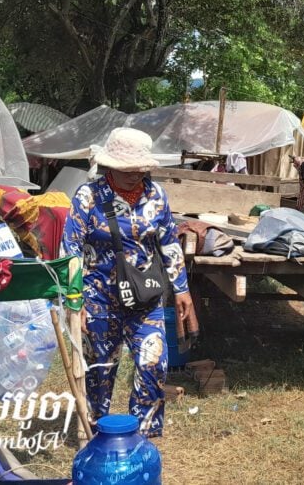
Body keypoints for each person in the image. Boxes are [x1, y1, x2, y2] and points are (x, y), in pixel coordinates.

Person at [60, 127, 197, 437]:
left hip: (144, 300)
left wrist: (181, 288)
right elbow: (70, 249)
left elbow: (169, 243)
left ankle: (142, 437)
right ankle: (98, 437)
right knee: (100, 374)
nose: (135, 174)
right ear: (111, 166)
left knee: (154, 365)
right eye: (127, 168)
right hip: (99, 301)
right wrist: (75, 302)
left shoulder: (156, 195)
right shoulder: (89, 197)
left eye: (140, 168)